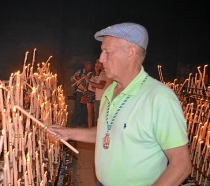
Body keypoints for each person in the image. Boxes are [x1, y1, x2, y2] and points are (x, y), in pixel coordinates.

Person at [49, 22, 192, 185]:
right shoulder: (110, 91)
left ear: (130, 52)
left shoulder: (159, 98)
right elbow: (106, 133)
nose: (101, 59)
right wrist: (68, 133)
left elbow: (181, 165)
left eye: (107, 52)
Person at [85, 58, 112, 126]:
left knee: (99, 119)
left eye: (98, 63)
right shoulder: (102, 73)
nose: (96, 64)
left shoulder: (104, 73)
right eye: (96, 63)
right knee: (98, 117)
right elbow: (96, 87)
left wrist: (88, 81)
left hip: (101, 98)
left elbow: (101, 86)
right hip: (100, 98)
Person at [69, 60, 93, 127]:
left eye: (91, 65)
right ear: (86, 65)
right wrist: (76, 78)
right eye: (90, 65)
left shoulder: (91, 73)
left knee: (85, 109)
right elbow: (71, 79)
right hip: (80, 92)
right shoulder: (80, 72)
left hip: (87, 92)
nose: (91, 66)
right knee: (78, 108)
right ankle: (76, 123)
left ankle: (83, 123)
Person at [85, 60, 101, 127]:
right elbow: (89, 85)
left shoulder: (101, 75)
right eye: (95, 66)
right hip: (89, 94)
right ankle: (89, 128)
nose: (96, 67)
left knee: (96, 113)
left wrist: (90, 82)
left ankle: (95, 128)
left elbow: (96, 87)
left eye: (97, 66)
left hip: (96, 94)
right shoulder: (91, 74)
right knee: (90, 113)